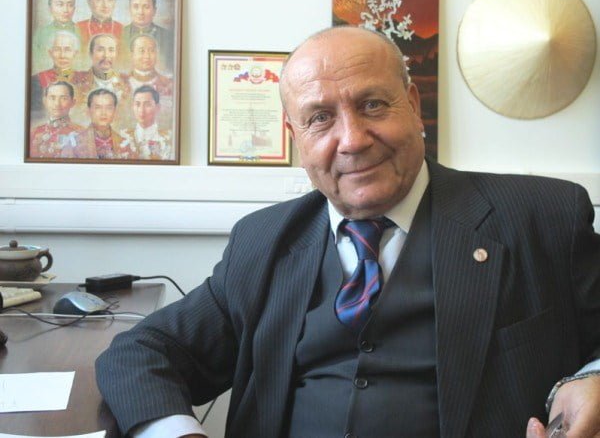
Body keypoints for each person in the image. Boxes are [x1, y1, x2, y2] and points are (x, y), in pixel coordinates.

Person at [95, 27, 600, 438]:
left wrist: (592, 377)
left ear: (413, 105)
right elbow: (141, 352)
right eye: (320, 118)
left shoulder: (541, 217)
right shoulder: (263, 241)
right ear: (296, 139)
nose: (353, 140)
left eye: (373, 105)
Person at [67, 88, 136, 159]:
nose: (103, 113)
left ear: (115, 111)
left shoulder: (124, 143)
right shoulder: (75, 143)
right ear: (88, 111)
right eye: (98, 107)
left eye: (109, 108)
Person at [121, 0, 173, 71]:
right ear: (129, 9)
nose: (140, 12)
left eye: (146, 7)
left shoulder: (167, 36)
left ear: (154, 11)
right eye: (136, 6)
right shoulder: (119, 33)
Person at [32, 0, 82, 72]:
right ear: (50, 8)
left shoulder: (82, 31)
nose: (66, 10)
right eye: (60, 4)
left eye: (70, 5)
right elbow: (36, 65)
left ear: (74, 8)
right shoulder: (40, 34)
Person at [30, 81, 83, 158]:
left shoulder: (82, 132)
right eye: (52, 98)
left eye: (64, 98)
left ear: (72, 102)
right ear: (45, 101)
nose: (57, 104)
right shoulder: (34, 132)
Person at [31, 30, 81, 112]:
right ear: (50, 53)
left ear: (75, 53)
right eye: (57, 49)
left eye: (67, 50)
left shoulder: (84, 79)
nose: (62, 55)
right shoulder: (36, 80)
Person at [121, 85, 173, 160]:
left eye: (147, 105)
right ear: (133, 107)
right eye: (137, 104)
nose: (141, 110)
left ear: (158, 107)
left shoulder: (168, 138)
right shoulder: (123, 136)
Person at [73, 33, 128, 103]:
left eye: (111, 50)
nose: (106, 55)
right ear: (91, 53)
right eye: (100, 50)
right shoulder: (77, 81)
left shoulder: (126, 82)